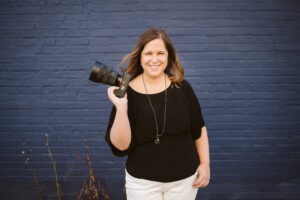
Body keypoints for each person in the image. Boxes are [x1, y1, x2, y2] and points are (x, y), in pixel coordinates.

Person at [105, 28, 210, 200]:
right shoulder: (126, 91)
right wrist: (122, 107)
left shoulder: (183, 88)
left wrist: (205, 163)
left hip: (184, 181)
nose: (154, 59)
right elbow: (121, 146)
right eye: (148, 53)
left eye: (160, 53)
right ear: (140, 57)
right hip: (142, 184)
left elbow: (199, 129)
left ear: (168, 57)